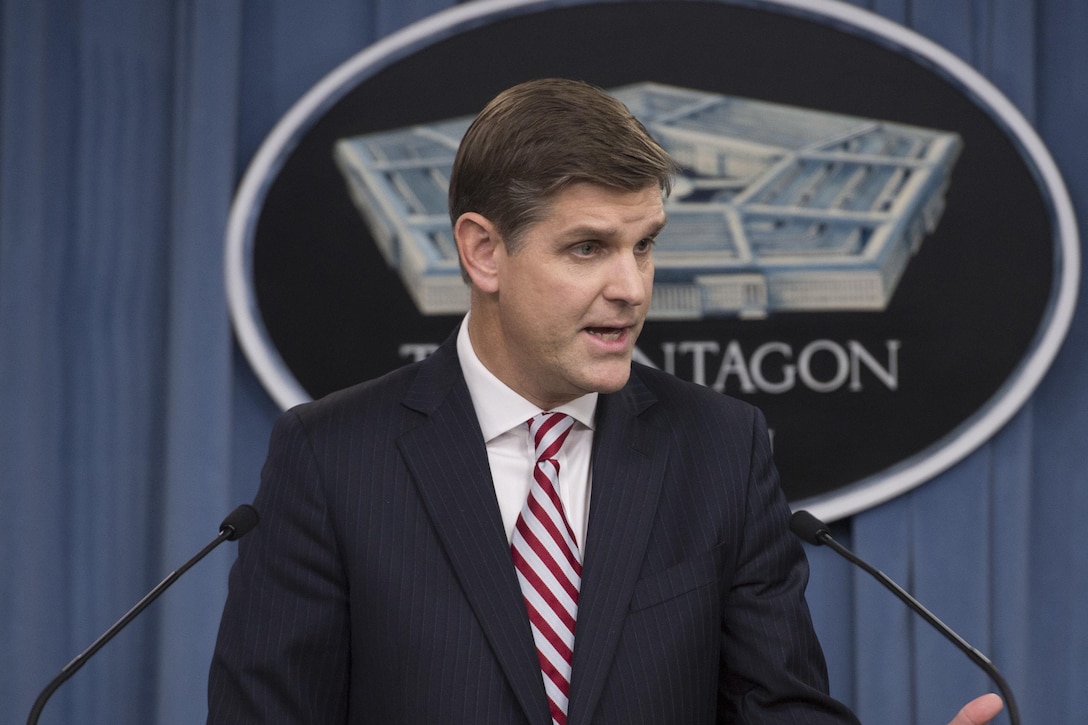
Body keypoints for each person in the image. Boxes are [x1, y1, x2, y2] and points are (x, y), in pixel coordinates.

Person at [208, 79, 1002, 725]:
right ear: (484, 250)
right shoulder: (333, 457)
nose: (631, 288)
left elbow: (778, 710)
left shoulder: (720, 447)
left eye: (645, 244)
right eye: (588, 247)